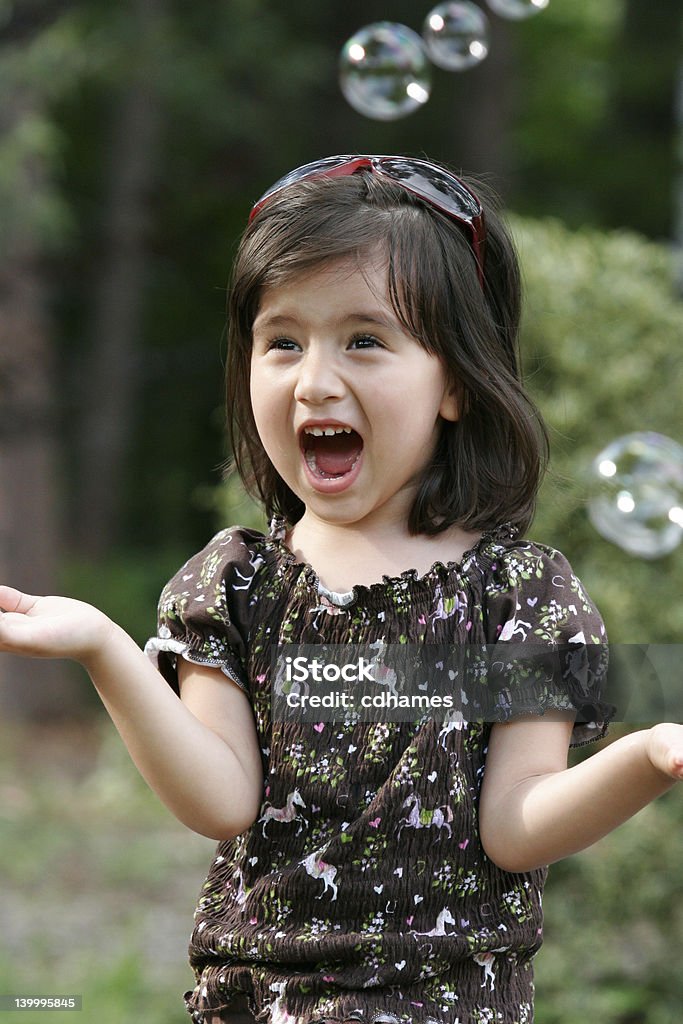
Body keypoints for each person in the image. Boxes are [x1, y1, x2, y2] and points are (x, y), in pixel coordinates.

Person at [1, 154, 682, 1024]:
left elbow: (516, 825)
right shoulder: (237, 585)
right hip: (259, 1003)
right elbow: (219, 800)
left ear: (456, 385)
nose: (314, 379)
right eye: (282, 341)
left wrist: (649, 755)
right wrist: (101, 645)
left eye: (365, 340)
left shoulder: (515, 597)